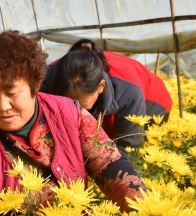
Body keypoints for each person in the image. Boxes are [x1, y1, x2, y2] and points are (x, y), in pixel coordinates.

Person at [0, 30, 145, 212]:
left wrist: (142, 211)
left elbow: (111, 165)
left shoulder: (71, 114)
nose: (3, 106)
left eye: (11, 93)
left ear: (34, 86)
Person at [41, 39, 172, 154]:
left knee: (132, 153)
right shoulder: (45, 80)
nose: (76, 110)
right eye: (68, 103)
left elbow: (127, 148)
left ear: (100, 87)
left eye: (82, 103)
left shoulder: (129, 94)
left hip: (153, 104)